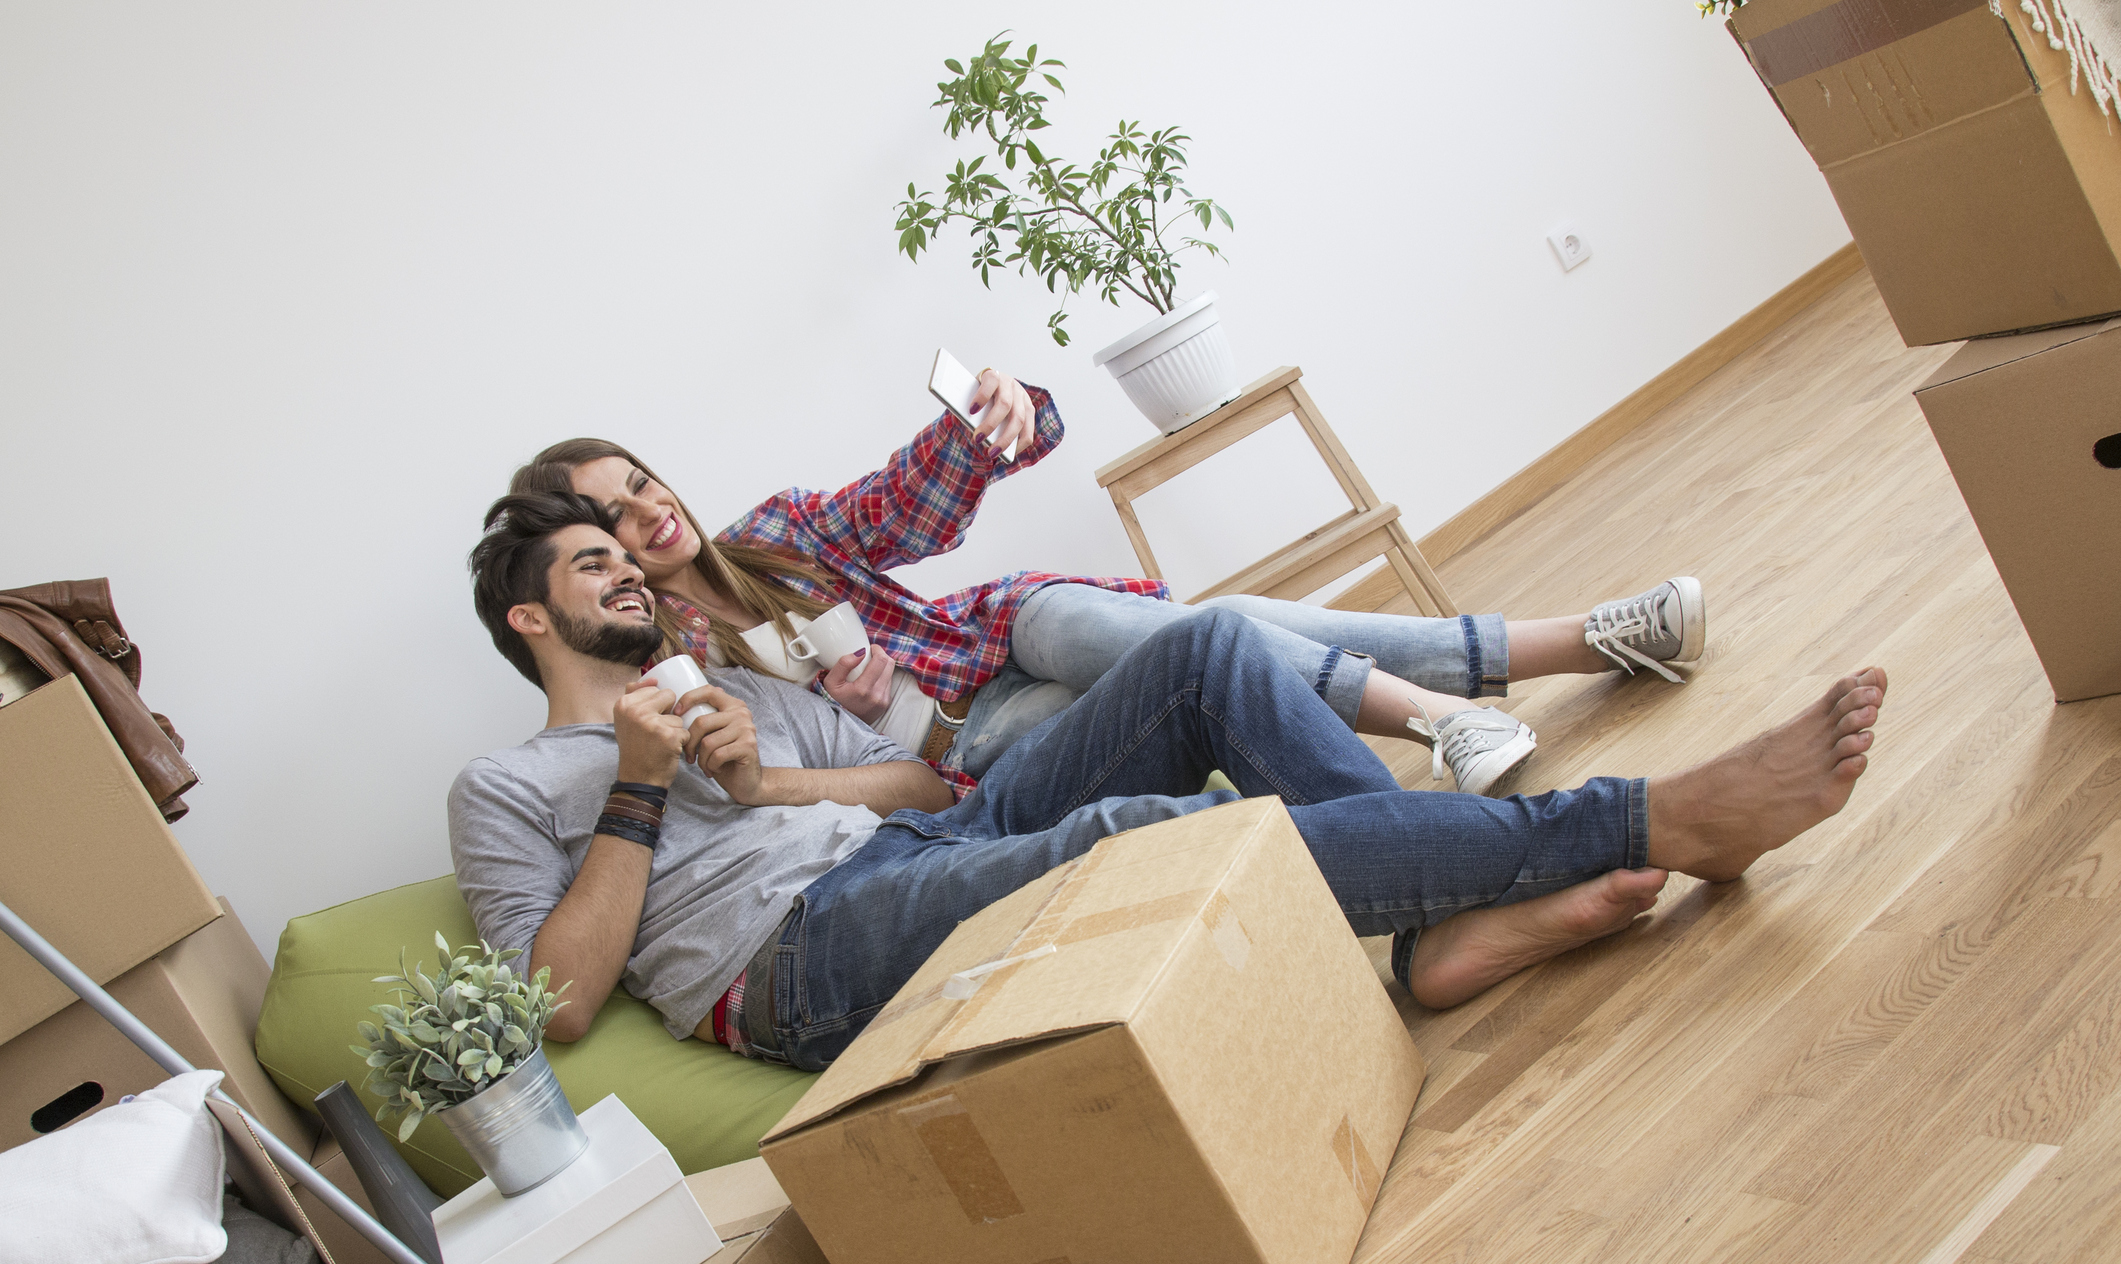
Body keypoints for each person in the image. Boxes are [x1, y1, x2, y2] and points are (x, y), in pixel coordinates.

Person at [448, 493, 1885, 1067]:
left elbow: (927, 795)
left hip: (896, 855)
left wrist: (763, 780)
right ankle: (1643, 820)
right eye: (592, 565)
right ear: (529, 617)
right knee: (1146, 829)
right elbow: (556, 1002)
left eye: (627, 557)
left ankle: (1438, 932)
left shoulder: (745, 693)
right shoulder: (506, 789)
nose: (629, 572)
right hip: (789, 962)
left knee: (1207, 650)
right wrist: (641, 790)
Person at [505, 371, 1706, 799]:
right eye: (611, 517)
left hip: (1008, 635)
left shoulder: (772, 536)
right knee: (1218, 634)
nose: (647, 512)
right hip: (968, 746)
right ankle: (1587, 642)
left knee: (1107, 620)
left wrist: (1005, 415)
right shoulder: (668, 670)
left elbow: (907, 500)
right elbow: (781, 784)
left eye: (643, 481)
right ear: (588, 555)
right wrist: (847, 712)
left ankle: (1449, 716)